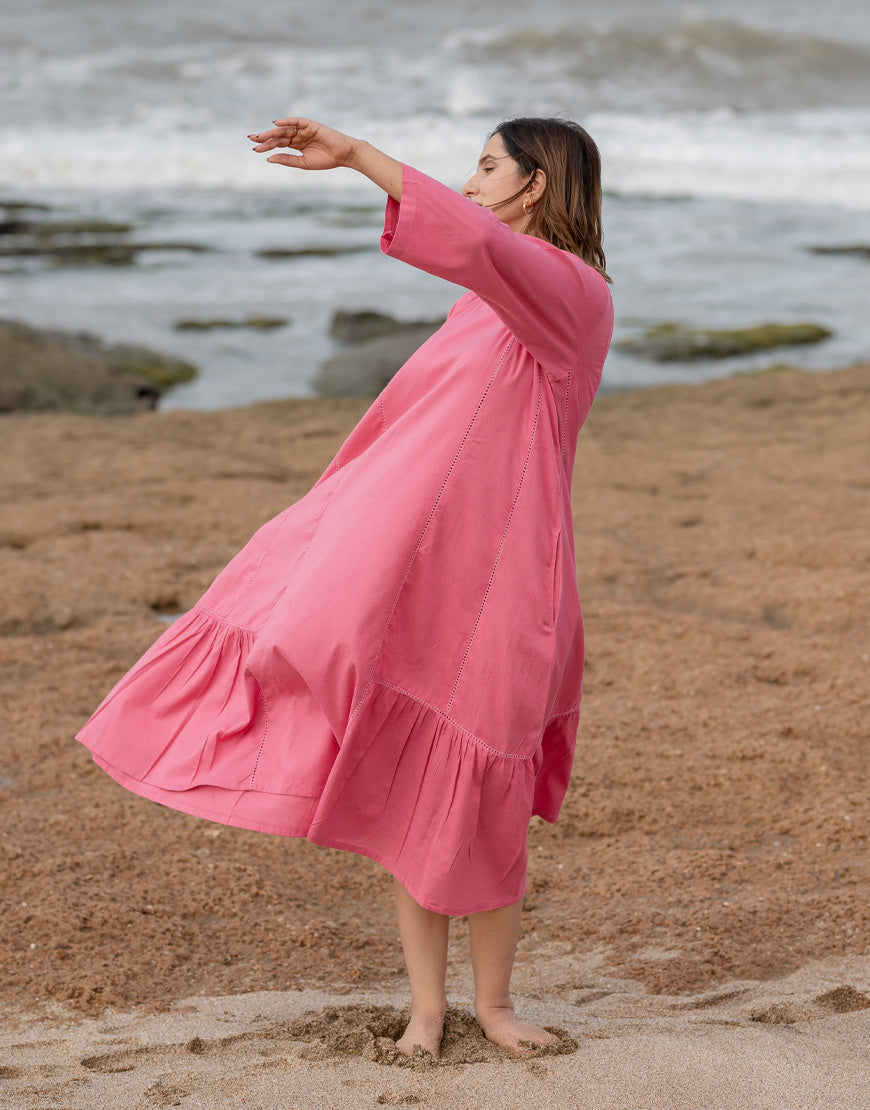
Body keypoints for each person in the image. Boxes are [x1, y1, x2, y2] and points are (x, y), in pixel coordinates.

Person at [76, 115, 613, 1058]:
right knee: (413, 803)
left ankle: (494, 1007)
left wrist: (363, 157)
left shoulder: (573, 294)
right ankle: (425, 1011)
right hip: (421, 575)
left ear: (537, 185)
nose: (472, 180)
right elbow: (425, 418)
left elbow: (478, 244)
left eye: (488, 166)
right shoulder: (485, 303)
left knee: (481, 797)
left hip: (504, 592)